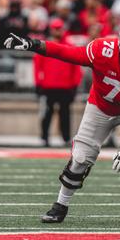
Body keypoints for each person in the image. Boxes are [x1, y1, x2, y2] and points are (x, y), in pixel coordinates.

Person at [4, 20, 120, 226]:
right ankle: (60, 205)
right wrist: (34, 44)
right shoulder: (103, 51)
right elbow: (67, 53)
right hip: (100, 107)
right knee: (81, 158)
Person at [33, 18, 82, 147]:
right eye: (55, 29)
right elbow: (38, 66)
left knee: (65, 114)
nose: (57, 31)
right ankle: (44, 137)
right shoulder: (46, 46)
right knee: (47, 113)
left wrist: (75, 85)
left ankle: (65, 138)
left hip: (65, 87)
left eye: (59, 28)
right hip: (49, 86)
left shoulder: (69, 46)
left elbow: (76, 67)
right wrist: (38, 83)